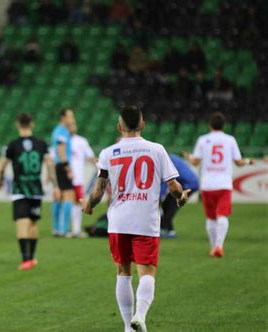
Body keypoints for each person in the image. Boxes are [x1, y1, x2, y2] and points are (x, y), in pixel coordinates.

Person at [81, 106, 190, 332]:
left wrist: (89, 205)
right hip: (146, 220)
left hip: (118, 221)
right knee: (147, 272)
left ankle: (127, 327)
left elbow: (99, 191)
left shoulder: (108, 153)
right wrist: (180, 198)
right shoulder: (157, 149)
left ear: (119, 127)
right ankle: (140, 315)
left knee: (123, 271)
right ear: (143, 125)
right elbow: (172, 186)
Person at [183, 112, 253, 258]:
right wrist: (247, 161)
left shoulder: (203, 140)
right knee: (222, 215)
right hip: (224, 184)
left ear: (210, 125)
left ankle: (213, 247)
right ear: (224, 126)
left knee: (210, 218)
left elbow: (195, 162)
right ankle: (219, 246)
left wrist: (189, 156)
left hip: (207, 184)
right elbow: (239, 162)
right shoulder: (230, 140)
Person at [0, 113, 58, 270]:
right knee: (32, 222)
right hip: (36, 190)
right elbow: (50, 165)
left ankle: (25, 260)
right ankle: (32, 258)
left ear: (17, 124)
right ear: (32, 124)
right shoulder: (41, 144)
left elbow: (2, 166)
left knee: (22, 223)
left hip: (20, 190)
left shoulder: (12, 145)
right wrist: (56, 186)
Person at [160, 154, 199, 238]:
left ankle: (162, 228)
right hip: (189, 183)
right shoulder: (170, 157)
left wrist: (159, 196)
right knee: (166, 204)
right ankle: (170, 231)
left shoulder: (165, 161)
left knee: (171, 206)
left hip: (188, 185)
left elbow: (166, 180)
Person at [50, 108, 75, 237]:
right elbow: (61, 150)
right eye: (70, 116)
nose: (72, 119)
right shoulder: (62, 131)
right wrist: (68, 168)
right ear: (63, 118)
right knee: (68, 196)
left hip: (57, 166)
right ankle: (64, 230)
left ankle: (56, 228)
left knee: (58, 197)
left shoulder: (57, 131)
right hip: (62, 166)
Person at [69, 120, 96, 237]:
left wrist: (101, 165)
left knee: (77, 203)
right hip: (64, 178)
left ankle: (75, 229)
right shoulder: (62, 141)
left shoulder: (81, 141)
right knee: (65, 203)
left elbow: (90, 157)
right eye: (69, 125)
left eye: (73, 124)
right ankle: (63, 229)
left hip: (77, 178)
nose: (72, 127)